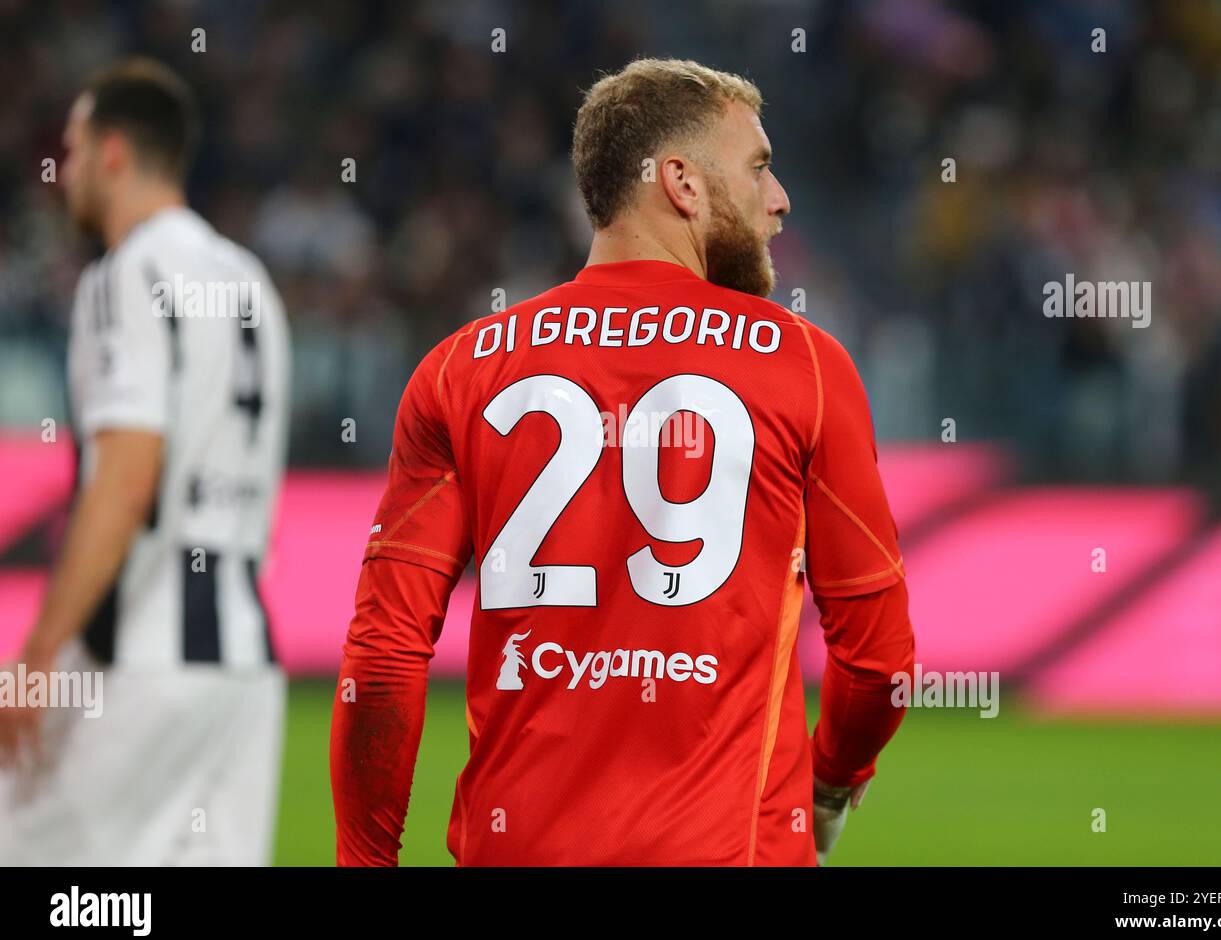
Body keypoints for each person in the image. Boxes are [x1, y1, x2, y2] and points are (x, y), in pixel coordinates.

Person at [331, 58, 914, 866]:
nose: (779, 199)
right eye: (758, 169)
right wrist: (829, 781)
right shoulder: (805, 366)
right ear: (682, 183)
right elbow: (878, 660)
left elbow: (385, 656)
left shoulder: (459, 370)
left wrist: (365, 861)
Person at [0, 58, 292, 866]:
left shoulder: (124, 276)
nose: (65, 172)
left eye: (74, 149)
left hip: (139, 656)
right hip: (241, 663)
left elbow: (127, 473)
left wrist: (36, 658)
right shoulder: (250, 282)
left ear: (115, 153)